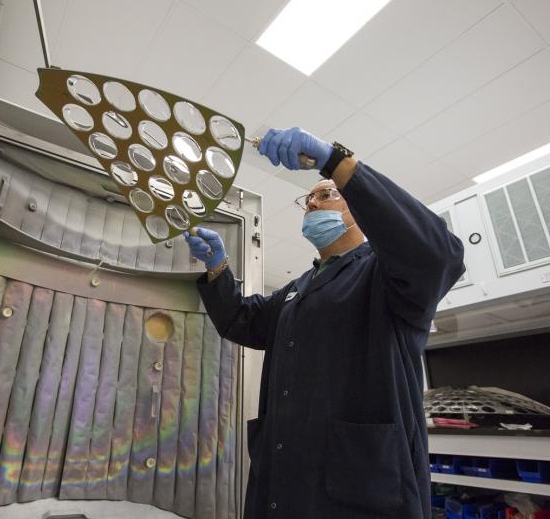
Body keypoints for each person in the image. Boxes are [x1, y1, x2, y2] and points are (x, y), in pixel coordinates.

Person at [184, 127, 465, 518]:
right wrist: (217, 267)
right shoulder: (297, 289)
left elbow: (438, 255)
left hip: (361, 491)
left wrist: (336, 162)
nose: (312, 205)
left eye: (326, 195)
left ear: (359, 210)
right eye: (309, 199)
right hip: (283, 485)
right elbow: (241, 320)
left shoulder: (384, 276)